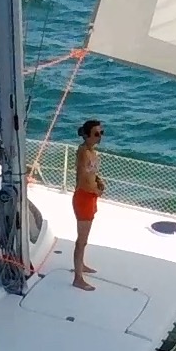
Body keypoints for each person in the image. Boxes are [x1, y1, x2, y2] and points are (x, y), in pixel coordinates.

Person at [71, 118, 105, 290]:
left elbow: (91, 173)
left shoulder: (92, 152)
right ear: (87, 135)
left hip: (90, 197)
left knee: (84, 239)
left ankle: (81, 265)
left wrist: (98, 181)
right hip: (84, 197)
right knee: (81, 240)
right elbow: (84, 180)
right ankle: (78, 278)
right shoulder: (83, 151)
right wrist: (97, 191)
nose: (99, 137)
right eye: (96, 134)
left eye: (101, 133)